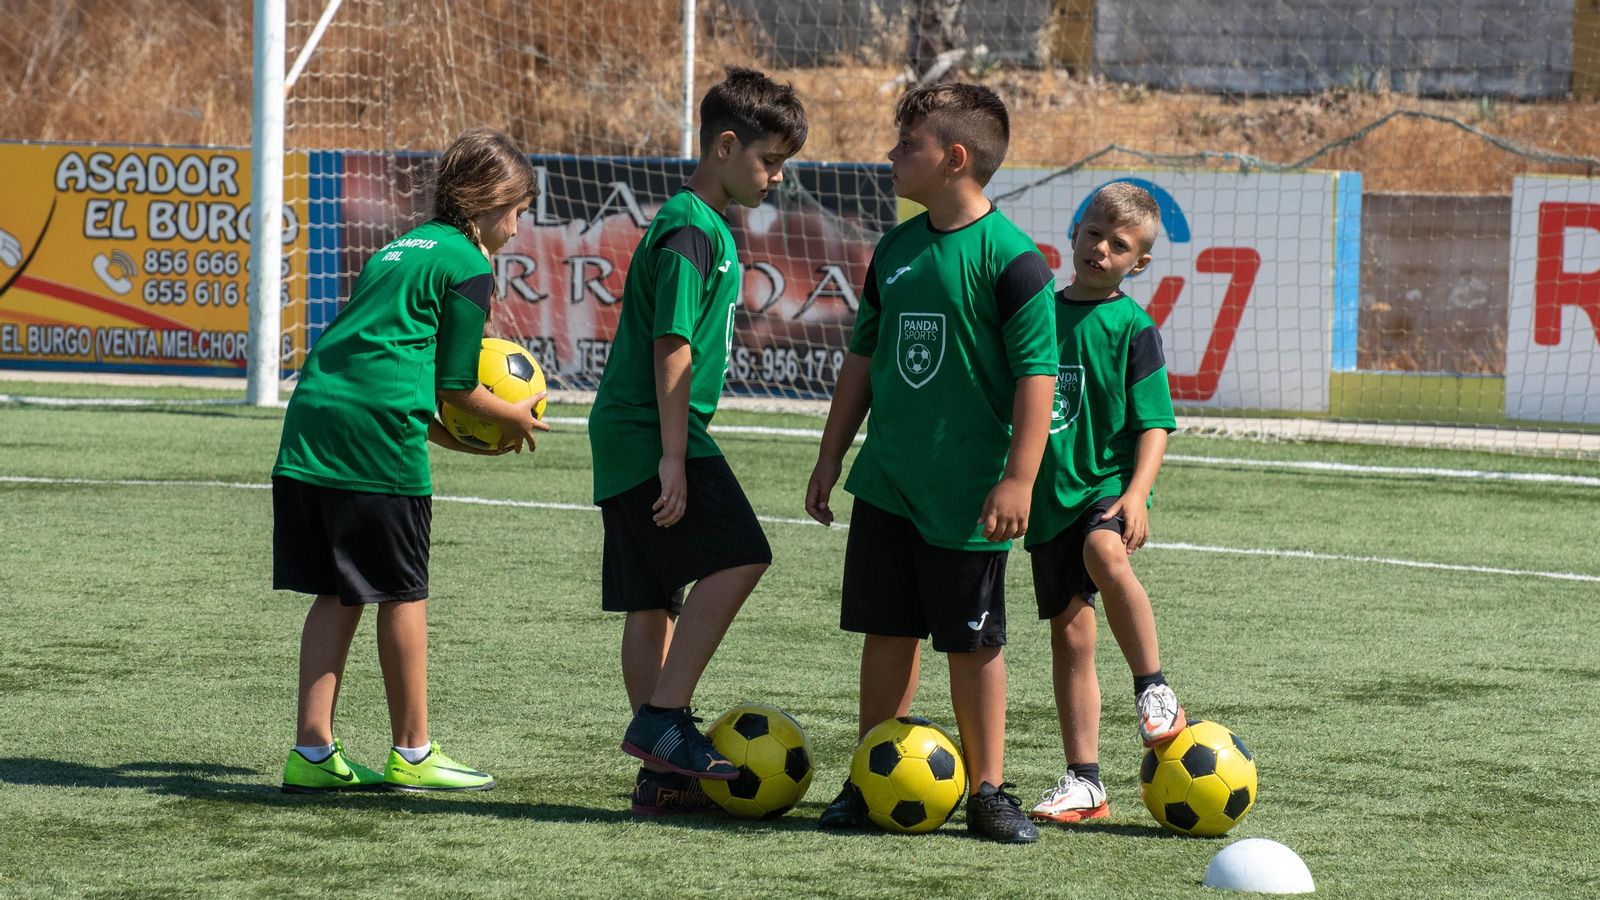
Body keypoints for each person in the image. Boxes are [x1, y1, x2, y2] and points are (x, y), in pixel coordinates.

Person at [804, 83, 1057, 844]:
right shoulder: (895, 250)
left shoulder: (1013, 260)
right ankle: (868, 776)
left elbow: (1037, 376)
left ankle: (988, 791)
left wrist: (1018, 478)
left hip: (968, 494)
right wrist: (830, 456)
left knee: (973, 644)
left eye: (906, 143)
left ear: (954, 159)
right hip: (887, 483)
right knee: (887, 633)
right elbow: (862, 359)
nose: (890, 154)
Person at [274, 126, 547, 793]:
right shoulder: (469, 264)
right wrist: (511, 416)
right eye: (518, 212)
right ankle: (414, 751)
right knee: (403, 592)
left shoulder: (398, 249)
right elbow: (457, 384)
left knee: (336, 591)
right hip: (376, 437)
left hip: (312, 422)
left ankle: (312, 755)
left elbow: (382, 360)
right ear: (488, 201)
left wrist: (456, 438)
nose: (517, 229)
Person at [587, 67, 807, 816]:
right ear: (725, 146)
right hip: (651, 431)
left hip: (627, 431)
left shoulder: (698, 222)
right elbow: (672, 343)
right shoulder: (691, 228)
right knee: (743, 553)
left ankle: (661, 774)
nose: (776, 176)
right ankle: (664, 718)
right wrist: (675, 456)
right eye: (769, 160)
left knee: (651, 600)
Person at [1023, 182, 1186, 824]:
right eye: (1093, 234)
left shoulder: (1133, 328)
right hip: (1045, 498)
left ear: (1137, 264)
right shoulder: (1036, 313)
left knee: (1104, 551)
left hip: (1105, 486)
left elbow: (1155, 423)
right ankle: (1084, 781)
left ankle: (1154, 689)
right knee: (1070, 635)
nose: (1101, 249)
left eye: (1119, 245)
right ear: (1074, 234)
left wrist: (1137, 494)